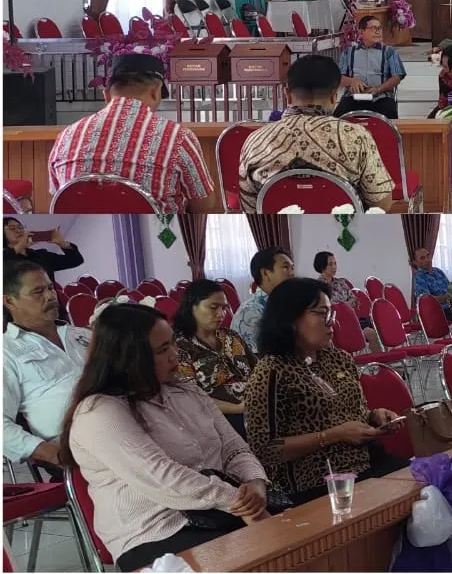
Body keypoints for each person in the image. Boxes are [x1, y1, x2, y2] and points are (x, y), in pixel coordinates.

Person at [62, 303, 271, 572]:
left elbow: (234, 447)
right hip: (158, 532)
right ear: (128, 358)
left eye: (172, 344)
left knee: (308, 537)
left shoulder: (184, 391)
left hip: (220, 513)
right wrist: (242, 503)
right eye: (162, 350)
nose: (176, 356)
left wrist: (255, 484)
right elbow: (164, 477)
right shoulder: (99, 413)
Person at [242, 278, 407, 501]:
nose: (331, 322)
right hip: (316, 483)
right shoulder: (271, 372)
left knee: (432, 486)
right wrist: (330, 436)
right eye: (321, 313)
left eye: (332, 313)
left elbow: (354, 412)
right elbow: (265, 449)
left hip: (366, 463)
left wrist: (375, 417)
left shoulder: (339, 358)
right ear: (291, 319)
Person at [49, 54, 218, 214]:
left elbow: (59, 196)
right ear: (155, 90)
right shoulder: (178, 137)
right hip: (163, 235)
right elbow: (204, 203)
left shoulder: (66, 136)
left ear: (106, 94)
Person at [237, 55, 395, 214]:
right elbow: (381, 203)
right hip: (344, 235)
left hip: (279, 235)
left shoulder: (256, 140)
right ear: (334, 96)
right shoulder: (356, 136)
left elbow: (249, 207)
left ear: (287, 94)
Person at [3, 260, 91, 469]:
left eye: (51, 288)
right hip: (74, 445)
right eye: (38, 292)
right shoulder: (6, 351)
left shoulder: (83, 336)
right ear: (9, 301)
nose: (51, 296)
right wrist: (53, 454)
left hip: (125, 425)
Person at [172, 280, 258, 437]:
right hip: (220, 418)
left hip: (255, 406)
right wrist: (239, 408)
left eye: (224, 308)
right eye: (213, 307)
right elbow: (190, 400)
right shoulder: (181, 348)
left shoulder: (230, 336)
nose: (221, 314)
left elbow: (258, 370)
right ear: (192, 307)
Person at [334, 15, 407, 119]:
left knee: (390, 117)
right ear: (361, 32)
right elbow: (339, 78)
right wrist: (352, 81)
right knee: (338, 117)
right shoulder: (349, 52)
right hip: (353, 97)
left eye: (380, 28)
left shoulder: (389, 52)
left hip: (381, 97)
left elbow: (397, 77)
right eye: (373, 28)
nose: (378, 32)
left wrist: (378, 89)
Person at [229, 248, 296, 352]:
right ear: (265, 273)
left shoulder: (285, 304)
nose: (292, 273)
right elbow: (260, 361)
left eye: (292, 268)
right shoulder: (249, 313)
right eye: (286, 267)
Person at [3, 217, 84, 285]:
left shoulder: (41, 255)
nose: (18, 230)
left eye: (20, 227)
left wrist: (62, 243)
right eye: (12, 228)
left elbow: (76, 260)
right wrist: (21, 245)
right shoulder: (6, 260)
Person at [412, 247, 452, 320]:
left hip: (451, 307)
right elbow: (428, 300)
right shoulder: (419, 277)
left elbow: (450, 289)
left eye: (428, 256)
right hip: (438, 312)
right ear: (416, 262)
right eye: (422, 258)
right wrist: (448, 297)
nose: (428, 260)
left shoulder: (438, 271)